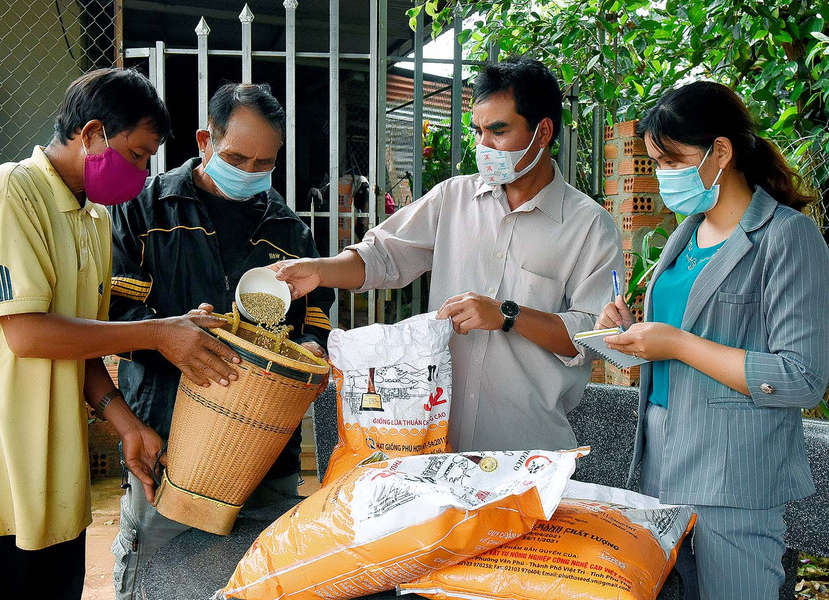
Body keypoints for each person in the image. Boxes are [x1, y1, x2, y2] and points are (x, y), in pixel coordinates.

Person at [0, 68, 239, 600]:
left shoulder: (93, 218)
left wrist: (126, 427)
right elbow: (28, 335)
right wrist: (159, 333)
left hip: (54, 495)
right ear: (92, 133)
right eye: (137, 154)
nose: (142, 174)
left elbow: (81, 346)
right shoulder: (10, 193)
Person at [276, 56, 622, 453]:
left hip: (528, 451)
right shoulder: (453, 198)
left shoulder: (590, 226)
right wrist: (319, 271)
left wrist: (508, 315)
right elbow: (382, 255)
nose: (483, 145)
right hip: (433, 440)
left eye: (498, 131)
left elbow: (594, 335)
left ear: (542, 132)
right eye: (478, 131)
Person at [595, 81, 829, 600]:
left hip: (736, 475)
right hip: (660, 460)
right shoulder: (685, 234)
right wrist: (629, 330)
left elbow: (801, 377)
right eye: (657, 161)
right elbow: (680, 340)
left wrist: (676, 343)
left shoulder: (785, 237)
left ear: (721, 151)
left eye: (673, 158)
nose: (663, 175)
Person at [107, 82, 334, 600]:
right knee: (157, 579)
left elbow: (314, 318)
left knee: (258, 580)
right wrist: (168, 337)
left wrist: (314, 346)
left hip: (264, 452)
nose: (251, 172)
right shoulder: (146, 211)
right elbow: (115, 310)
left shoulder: (289, 231)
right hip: (168, 441)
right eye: (237, 157)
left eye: (264, 163)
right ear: (205, 139)